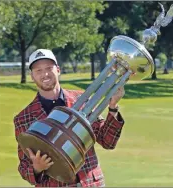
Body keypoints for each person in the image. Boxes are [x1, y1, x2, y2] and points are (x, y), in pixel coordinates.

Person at [14, 49, 125, 187]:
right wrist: (36, 168)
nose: (45, 74)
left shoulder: (81, 100)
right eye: (38, 70)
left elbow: (107, 142)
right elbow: (24, 167)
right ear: (32, 76)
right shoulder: (23, 118)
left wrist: (113, 107)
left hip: (90, 184)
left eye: (49, 68)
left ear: (58, 70)